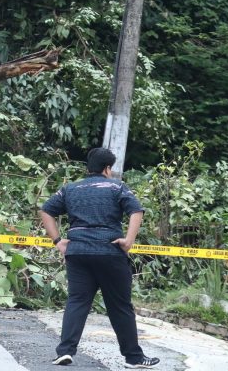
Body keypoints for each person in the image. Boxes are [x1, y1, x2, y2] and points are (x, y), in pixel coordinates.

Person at [40, 148, 160, 368]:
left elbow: (46, 210)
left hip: (77, 253)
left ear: (89, 168)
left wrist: (58, 241)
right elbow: (136, 211)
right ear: (107, 168)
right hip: (109, 252)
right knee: (120, 306)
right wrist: (129, 241)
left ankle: (65, 352)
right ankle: (133, 358)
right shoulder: (117, 186)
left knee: (77, 302)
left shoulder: (70, 189)